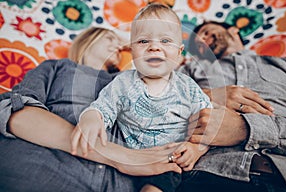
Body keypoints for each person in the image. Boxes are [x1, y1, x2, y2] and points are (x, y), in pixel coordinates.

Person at [0, 26, 182, 191]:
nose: (118, 46)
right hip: (42, 167)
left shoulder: (133, 82)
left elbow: (160, 145)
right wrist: (120, 157)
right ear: (89, 40)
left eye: (121, 44)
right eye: (110, 39)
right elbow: (15, 115)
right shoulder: (58, 67)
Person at [72, 4, 212, 192]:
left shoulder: (188, 87)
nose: (154, 47)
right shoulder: (122, 83)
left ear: (179, 53)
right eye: (143, 41)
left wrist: (197, 150)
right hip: (137, 161)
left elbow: (208, 124)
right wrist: (90, 118)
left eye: (165, 40)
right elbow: (103, 107)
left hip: (177, 158)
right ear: (131, 51)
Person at [177, 21, 286, 192]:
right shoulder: (191, 70)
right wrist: (208, 95)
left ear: (233, 30)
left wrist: (244, 129)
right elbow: (158, 104)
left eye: (205, 32)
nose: (201, 40)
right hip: (205, 177)